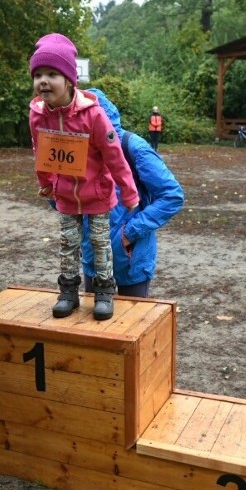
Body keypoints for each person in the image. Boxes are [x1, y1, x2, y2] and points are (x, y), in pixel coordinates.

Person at [28, 33, 139, 320]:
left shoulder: (93, 115)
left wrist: (128, 192)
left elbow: (114, 154)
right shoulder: (38, 115)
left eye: (51, 73)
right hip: (65, 194)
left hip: (98, 193)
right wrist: (46, 184)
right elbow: (40, 150)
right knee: (68, 244)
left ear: (69, 79)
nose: (43, 81)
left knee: (101, 243)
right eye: (38, 74)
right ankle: (68, 292)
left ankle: (103, 291)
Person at [82, 89, 184, 298]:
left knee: (132, 326)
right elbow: (68, 202)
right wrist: (53, 192)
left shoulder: (133, 148)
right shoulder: (77, 149)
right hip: (93, 255)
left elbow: (172, 196)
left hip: (130, 258)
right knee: (92, 326)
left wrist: (128, 234)